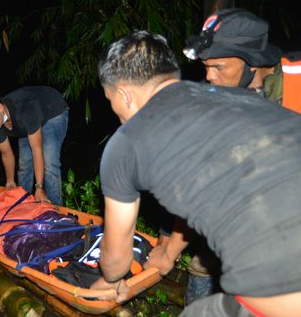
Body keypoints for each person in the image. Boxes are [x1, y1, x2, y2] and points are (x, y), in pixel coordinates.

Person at [90, 30, 301, 316]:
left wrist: (107, 280)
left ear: (124, 93)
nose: (114, 110)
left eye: (110, 98)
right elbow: (207, 187)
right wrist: (168, 253)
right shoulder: (230, 97)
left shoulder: (126, 143)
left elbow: (116, 261)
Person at [0, 87, 69, 205]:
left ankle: (55, 207)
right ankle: (24, 202)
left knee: (49, 162)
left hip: (52, 111)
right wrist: (10, 181)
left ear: (0, 108)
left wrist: (39, 187)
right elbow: (6, 154)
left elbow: (36, 150)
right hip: (24, 125)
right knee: (24, 164)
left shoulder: (26, 109)